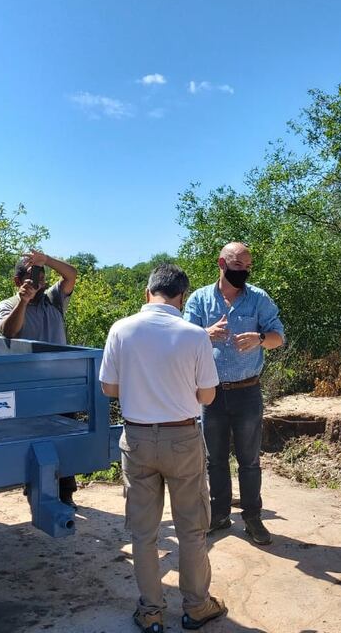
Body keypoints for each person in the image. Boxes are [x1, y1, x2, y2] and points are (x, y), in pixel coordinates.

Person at [99, 263, 228, 633]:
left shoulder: (121, 329)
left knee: (143, 533)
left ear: (148, 292)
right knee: (191, 530)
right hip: (183, 438)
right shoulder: (193, 335)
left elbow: (108, 388)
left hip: (137, 438)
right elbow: (207, 394)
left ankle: (151, 611)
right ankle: (197, 606)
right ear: (181, 297)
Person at [183, 242, 285, 545]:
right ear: (221, 263)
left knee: (249, 459)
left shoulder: (258, 299)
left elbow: (279, 337)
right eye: (238, 264)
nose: (243, 270)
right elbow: (183, 339)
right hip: (211, 394)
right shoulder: (200, 299)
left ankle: (253, 518)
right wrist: (205, 334)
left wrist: (261, 338)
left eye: (247, 265)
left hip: (247, 392)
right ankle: (219, 514)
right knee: (214, 460)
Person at [0, 250, 79, 506]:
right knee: (32, 441)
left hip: (62, 385)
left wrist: (47, 260)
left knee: (65, 439)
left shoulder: (53, 299)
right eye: (32, 278)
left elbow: (72, 275)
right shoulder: (7, 305)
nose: (38, 283)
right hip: (28, 386)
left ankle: (66, 494)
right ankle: (35, 492)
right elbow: (10, 332)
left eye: (41, 278)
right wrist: (23, 302)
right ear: (17, 281)